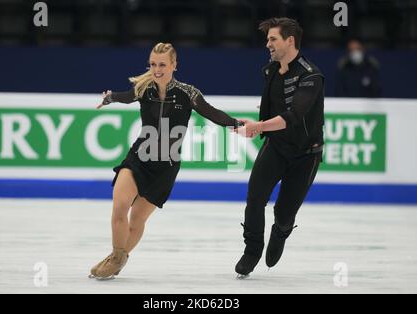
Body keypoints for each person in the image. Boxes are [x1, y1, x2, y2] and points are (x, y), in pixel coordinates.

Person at [89, 42, 244, 280]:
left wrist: (235, 123)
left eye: (162, 64)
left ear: (174, 65)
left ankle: (117, 258)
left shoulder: (188, 92)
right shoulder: (144, 88)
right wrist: (109, 98)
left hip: (165, 166)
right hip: (138, 158)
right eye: (153, 64)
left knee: (137, 219)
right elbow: (125, 96)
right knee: (120, 207)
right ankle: (116, 257)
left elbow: (212, 113)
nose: (157, 69)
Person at [234, 17, 324, 277]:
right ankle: (252, 251)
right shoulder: (270, 70)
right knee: (254, 198)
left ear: (290, 41)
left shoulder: (311, 75)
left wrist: (258, 126)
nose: (267, 44)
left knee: (283, 212)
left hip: (306, 155)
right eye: (268, 39)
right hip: (276, 147)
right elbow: (272, 106)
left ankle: (281, 231)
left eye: (272, 39)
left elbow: (294, 115)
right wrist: (258, 125)